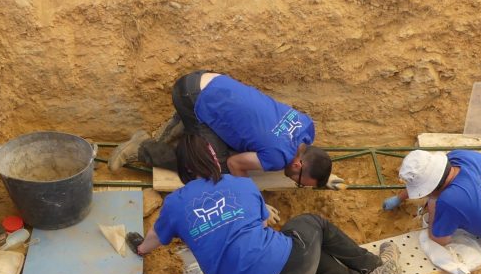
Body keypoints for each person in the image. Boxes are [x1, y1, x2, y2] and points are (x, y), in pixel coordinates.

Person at [132, 135, 401, 274]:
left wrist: (141, 249)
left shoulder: (176, 204)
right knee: (310, 224)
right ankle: (376, 267)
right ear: (214, 160)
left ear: (183, 168)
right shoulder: (240, 183)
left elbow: (155, 237)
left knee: (303, 249)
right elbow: (262, 223)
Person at [110, 71, 337, 188]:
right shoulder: (278, 157)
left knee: (237, 143)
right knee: (211, 170)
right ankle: (142, 148)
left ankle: (186, 124)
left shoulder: (307, 127)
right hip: (190, 95)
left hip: (208, 81)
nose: (294, 182)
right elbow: (234, 165)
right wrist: (255, 202)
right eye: (298, 182)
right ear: (298, 164)